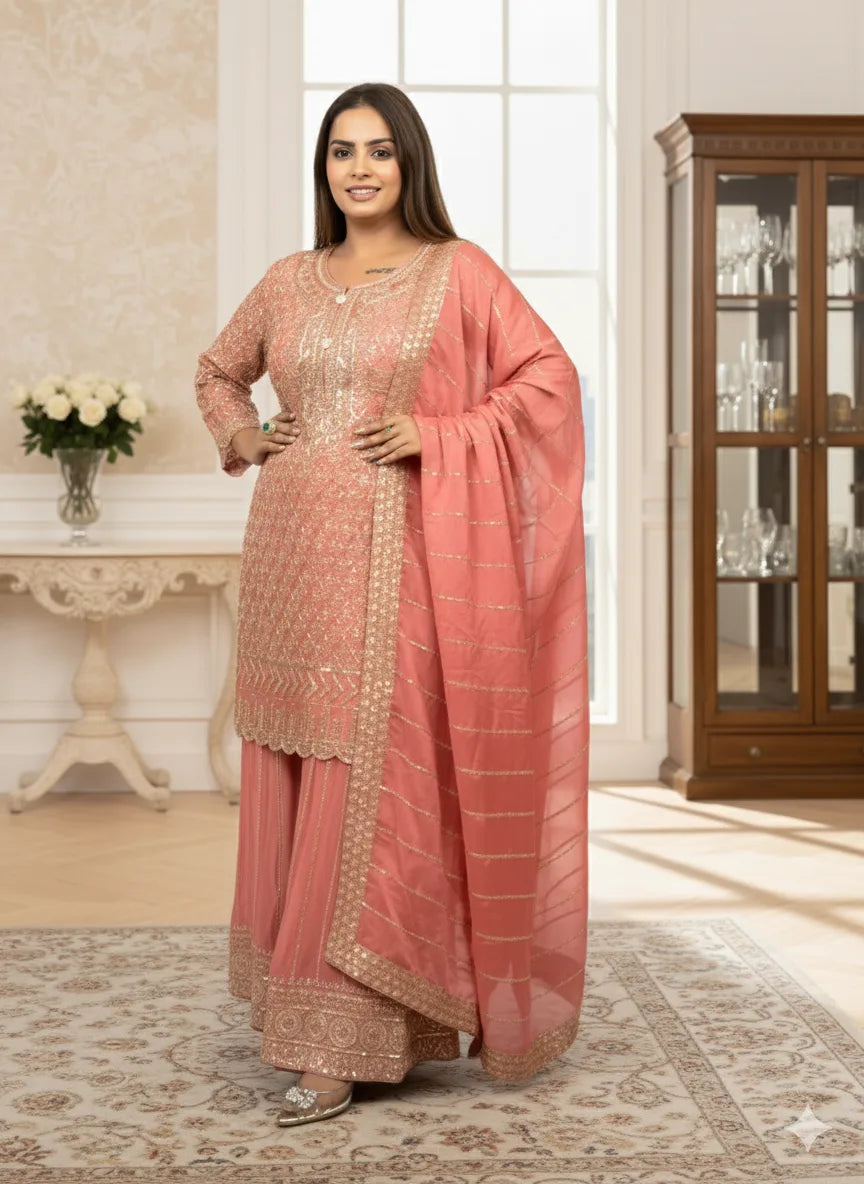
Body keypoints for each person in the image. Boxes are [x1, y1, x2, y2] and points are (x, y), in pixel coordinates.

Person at [195, 81, 589, 1128]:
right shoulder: (288, 279)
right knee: (295, 765)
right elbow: (218, 373)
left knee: (370, 776)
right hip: (287, 555)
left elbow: (547, 379)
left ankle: (354, 1034)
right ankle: (306, 1012)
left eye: (378, 150)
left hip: (397, 564)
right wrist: (242, 436)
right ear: (324, 170)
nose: (358, 168)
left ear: (409, 161)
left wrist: (439, 435)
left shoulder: (459, 274)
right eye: (340, 152)